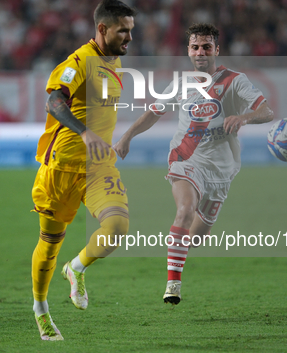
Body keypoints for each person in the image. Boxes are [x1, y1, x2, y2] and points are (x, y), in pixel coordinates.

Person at [113, 23, 274, 305]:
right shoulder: (181, 83)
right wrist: (127, 136)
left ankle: (178, 253)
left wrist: (244, 118)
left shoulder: (235, 81)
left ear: (216, 50)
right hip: (185, 158)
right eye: (195, 47)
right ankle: (172, 285)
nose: (201, 52)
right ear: (188, 51)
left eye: (206, 47)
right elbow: (153, 113)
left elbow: (266, 110)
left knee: (196, 236)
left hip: (222, 168)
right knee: (185, 210)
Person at [31, 0, 136, 341]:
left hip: (98, 168)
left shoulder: (114, 63)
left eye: (131, 31)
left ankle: (76, 268)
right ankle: (41, 309)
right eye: (124, 31)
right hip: (62, 167)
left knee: (118, 226)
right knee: (49, 242)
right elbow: (54, 100)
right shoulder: (78, 62)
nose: (129, 38)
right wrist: (85, 131)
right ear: (102, 29)